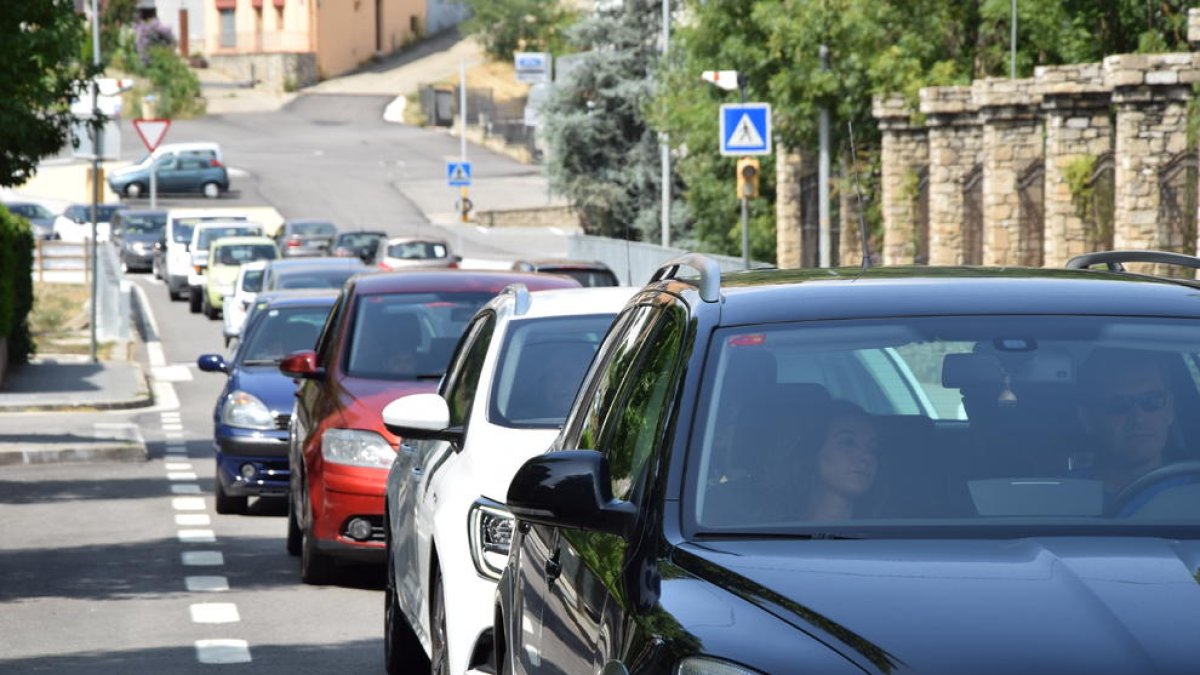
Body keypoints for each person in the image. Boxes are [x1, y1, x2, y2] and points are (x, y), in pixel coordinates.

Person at [1077, 348, 1179, 510]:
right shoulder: (1060, 497)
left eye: (1151, 400)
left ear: (1170, 410)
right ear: (1088, 419)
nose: (1138, 418)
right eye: (1119, 404)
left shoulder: (1193, 496)